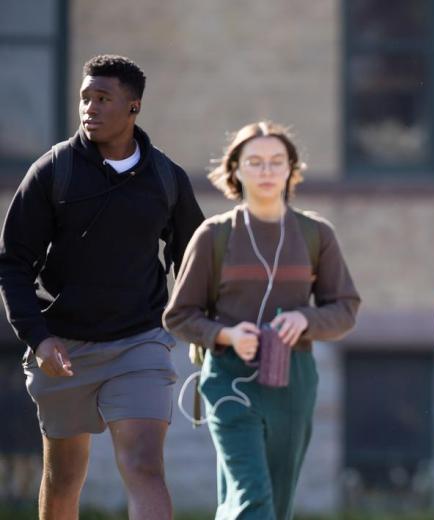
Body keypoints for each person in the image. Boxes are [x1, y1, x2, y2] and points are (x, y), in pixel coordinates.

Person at [0, 54, 204, 520]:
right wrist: (39, 336)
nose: (89, 108)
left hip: (140, 343)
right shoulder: (54, 171)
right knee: (64, 478)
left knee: (144, 465)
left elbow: (192, 258)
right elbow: (13, 264)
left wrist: (196, 322)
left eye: (103, 99)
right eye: (85, 98)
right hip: (63, 350)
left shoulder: (165, 178)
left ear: (133, 107)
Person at [163, 121, 359, 519]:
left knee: (274, 506)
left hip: (293, 380)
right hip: (228, 381)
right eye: (255, 162)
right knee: (254, 499)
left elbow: (344, 309)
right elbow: (179, 316)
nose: (266, 171)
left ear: (291, 169)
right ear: (235, 170)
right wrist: (226, 334)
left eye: (276, 162)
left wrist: (306, 320)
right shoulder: (213, 235)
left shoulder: (315, 233)